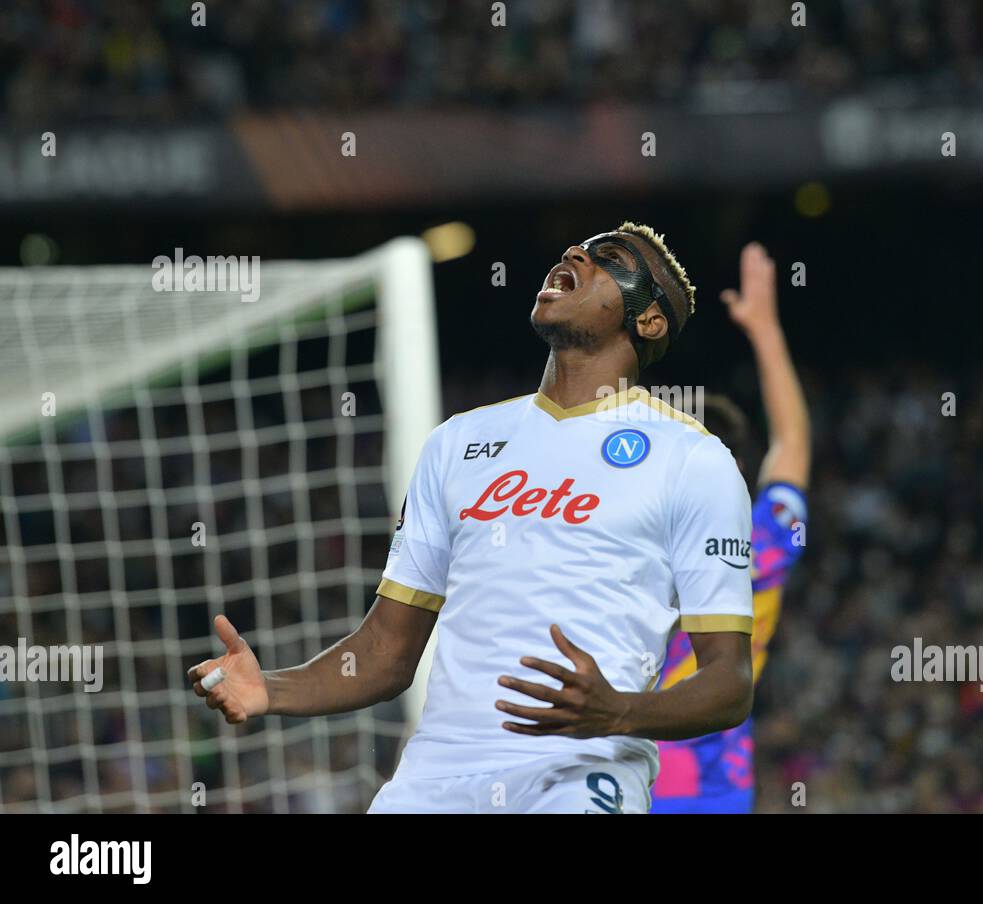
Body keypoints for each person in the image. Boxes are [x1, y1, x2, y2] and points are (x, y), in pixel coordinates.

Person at [189, 223, 755, 813]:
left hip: (578, 774)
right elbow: (384, 651)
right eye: (576, 249)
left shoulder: (691, 459)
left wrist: (618, 710)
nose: (575, 256)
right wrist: (268, 688)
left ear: (650, 321)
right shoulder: (458, 442)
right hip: (435, 778)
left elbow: (728, 684)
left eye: (607, 258)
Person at [651, 242, 811, 813]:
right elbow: (792, 445)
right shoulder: (765, 543)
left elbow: (791, 446)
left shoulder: (628, 544)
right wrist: (765, 332)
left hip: (638, 772)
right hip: (718, 781)